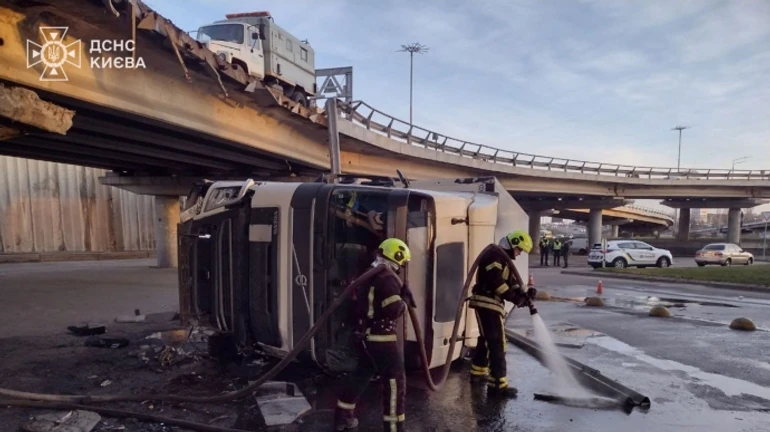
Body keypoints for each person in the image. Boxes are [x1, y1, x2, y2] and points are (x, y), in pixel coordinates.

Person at [334, 238, 414, 432]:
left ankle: (343, 417)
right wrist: (405, 300)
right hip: (383, 339)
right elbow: (393, 310)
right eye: (402, 262)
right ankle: (394, 427)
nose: (401, 267)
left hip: (367, 336)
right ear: (397, 257)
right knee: (395, 383)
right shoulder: (387, 278)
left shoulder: (369, 273)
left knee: (361, 375)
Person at [468, 230, 537, 397]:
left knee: (487, 339)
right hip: (487, 303)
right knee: (497, 343)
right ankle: (498, 385)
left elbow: (511, 282)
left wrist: (524, 295)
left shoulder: (502, 259)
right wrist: (514, 298)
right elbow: (496, 282)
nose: (519, 254)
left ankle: (478, 372)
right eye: (519, 249)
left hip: (491, 304)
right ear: (513, 243)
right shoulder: (494, 255)